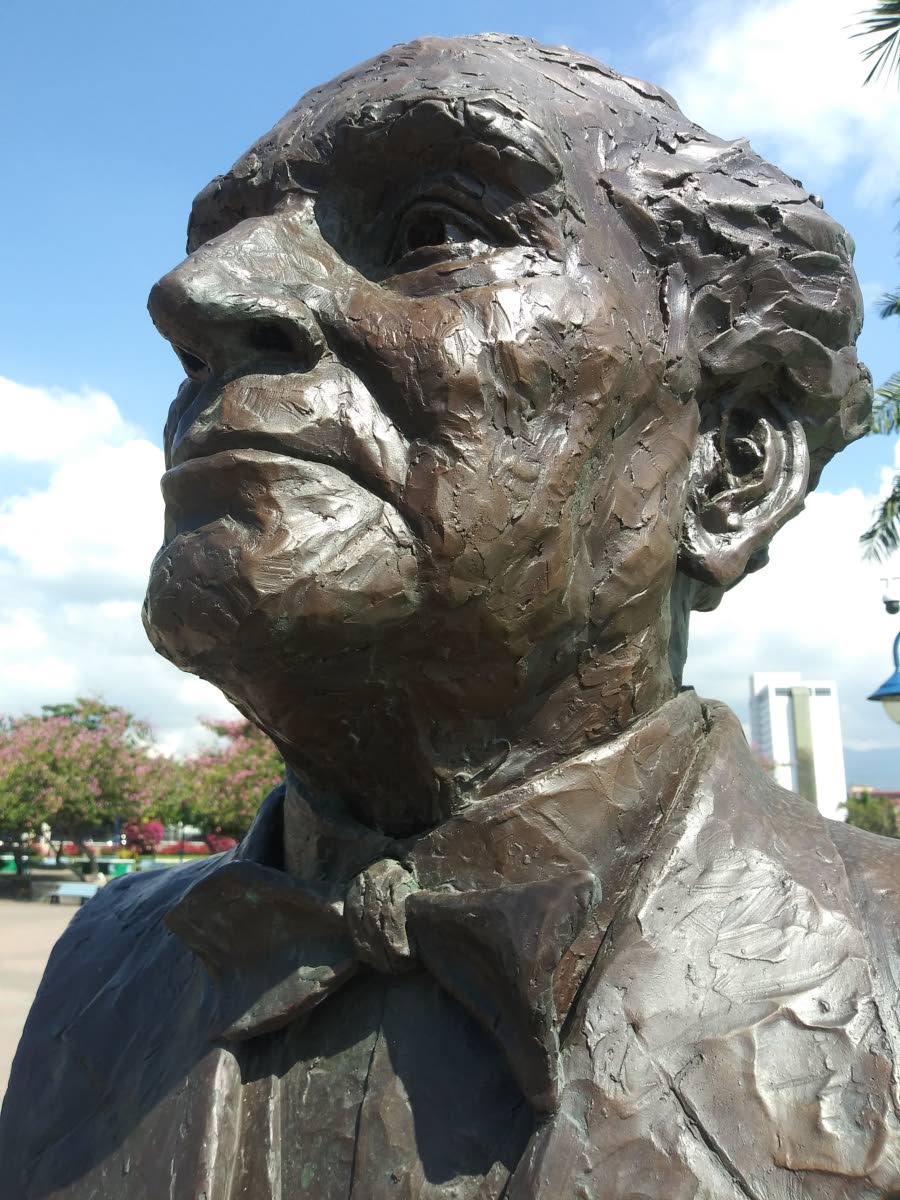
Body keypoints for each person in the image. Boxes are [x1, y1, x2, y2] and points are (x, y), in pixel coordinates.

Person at [2, 34, 897, 1200]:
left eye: (434, 228)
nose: (198, 296)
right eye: (218, 244)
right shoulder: (97, 969)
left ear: (726, 465)